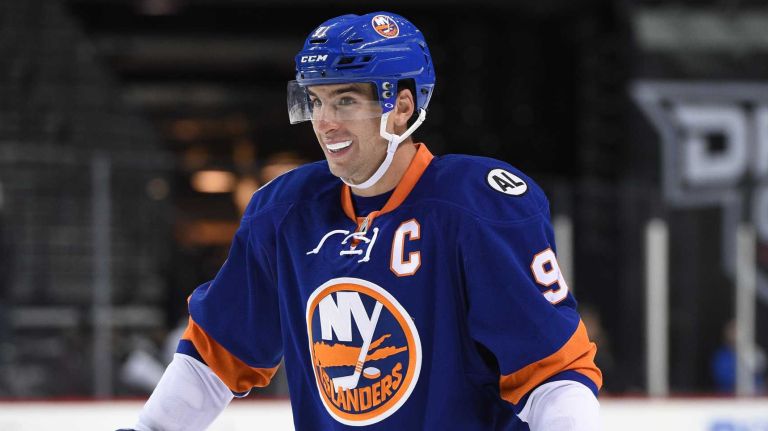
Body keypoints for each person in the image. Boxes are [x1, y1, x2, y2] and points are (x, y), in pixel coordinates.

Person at [120, 11, 602, 431]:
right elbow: (215, 357)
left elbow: (553, 375)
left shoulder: (477, 209)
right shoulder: (284, 212)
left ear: (402, 107)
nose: (325, 121)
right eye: (316, 101)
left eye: (346, 101)